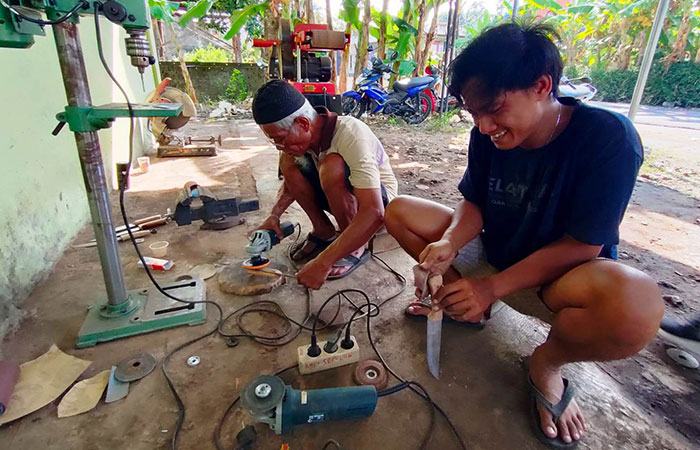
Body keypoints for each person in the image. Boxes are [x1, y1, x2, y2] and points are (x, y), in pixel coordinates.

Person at [384, 22, 663, 448]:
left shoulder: (607, 138)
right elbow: (473, 202)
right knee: (400, 211)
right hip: (495, 254)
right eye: (473, 113)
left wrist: (491, 287)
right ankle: (464, 307)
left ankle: (546, 365)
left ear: (541, 85)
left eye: (492, 110)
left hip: (557, 280)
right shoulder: (490, 136)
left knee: (638, 305)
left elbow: (583, 244)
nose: (482, 126)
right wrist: (450, 244)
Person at [251, 80, 398, 290]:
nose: (279, 146)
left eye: (281, 139)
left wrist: (324, 261)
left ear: (303, 123)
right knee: (288, 161)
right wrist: (274, 215)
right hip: (349, 195)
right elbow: (290, 184)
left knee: (332, 166)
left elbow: (375, 211)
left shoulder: (350, 133)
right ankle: (324, 231)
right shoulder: (300, 143)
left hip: (380, 204)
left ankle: (356, 246)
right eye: (274, 141)